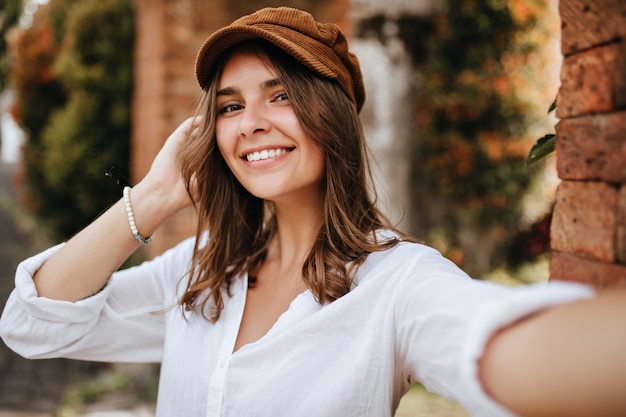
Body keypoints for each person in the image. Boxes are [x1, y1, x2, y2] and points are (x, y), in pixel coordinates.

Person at [1, 7, 625, 417]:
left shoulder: (396, 284)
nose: (251, 124)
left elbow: (504, 348)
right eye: (228, 106)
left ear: (330, 116)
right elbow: (33, 325)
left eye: (281, 96)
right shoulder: (200, 271)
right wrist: (159, 192)